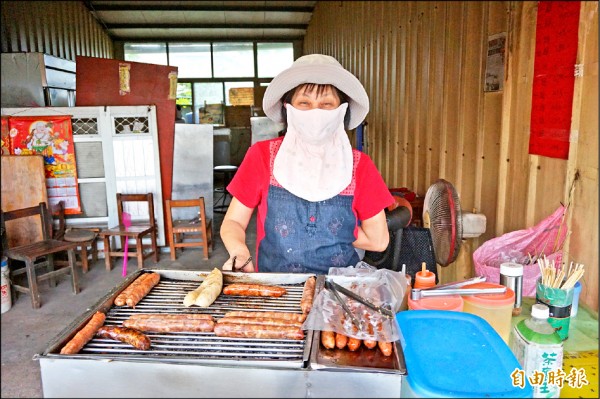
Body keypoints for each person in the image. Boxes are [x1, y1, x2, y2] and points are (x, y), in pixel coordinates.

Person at [221, 54, 394, 274]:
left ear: (342, 110)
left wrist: (329, 230)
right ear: (288, 107)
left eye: (326, 104)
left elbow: (379, 241)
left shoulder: (359, 166)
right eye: (304, 103)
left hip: (339, 291)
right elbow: (233, 221)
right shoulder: (263, 156)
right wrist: (239, 252)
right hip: (276, 289)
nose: (315, 113)